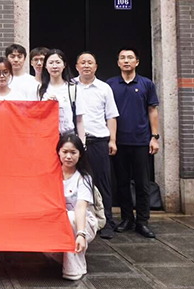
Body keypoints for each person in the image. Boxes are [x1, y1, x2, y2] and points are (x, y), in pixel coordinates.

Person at [107, 47, 160, 239]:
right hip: (119, 142)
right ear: (118, 62)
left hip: (141, 141)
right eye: (122, 58)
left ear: (137, 62)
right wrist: (111, 139)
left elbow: (152, 110)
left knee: (142, 183)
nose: (126, 61)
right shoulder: (110, 85)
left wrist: (154, 137)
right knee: (121, 182)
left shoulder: (146, 84)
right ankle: (127, 218)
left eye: (130, 57)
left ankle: (142, 221)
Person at [74, 51, 119, 240]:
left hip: (99, 141)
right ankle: (79, 222)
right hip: (76, 142)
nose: (86, 65)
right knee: (76, 182)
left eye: (90, 62)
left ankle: (107, 222)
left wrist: (112, 140)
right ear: (77, 66)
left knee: (102, 182)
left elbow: (111, 116)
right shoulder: (70, 86)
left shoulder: (104, 88)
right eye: (83, 62)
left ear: (96, 66)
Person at [56, 134, 98, 281]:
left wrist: (81, 233)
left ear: (80, 154)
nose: (68, 156)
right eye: (65, 152)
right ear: (58, 152)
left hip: (82, 223)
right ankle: (68, 258)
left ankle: (73, 269)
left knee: (69, 216)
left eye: (73, 152)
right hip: (59, 222)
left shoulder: (84, 178)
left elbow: (80, 207)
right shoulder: (52, 175)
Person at [38, 49, 86, 137]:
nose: (54, 66)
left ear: (64, 65)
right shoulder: (39, 89)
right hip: (46, 136)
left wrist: (82, 142)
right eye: (51, 63)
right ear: (45, 66)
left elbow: (79, 120)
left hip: (68, 136)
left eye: (58, 62)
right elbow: (35, 116)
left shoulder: (73, 88)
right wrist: (46, 105)